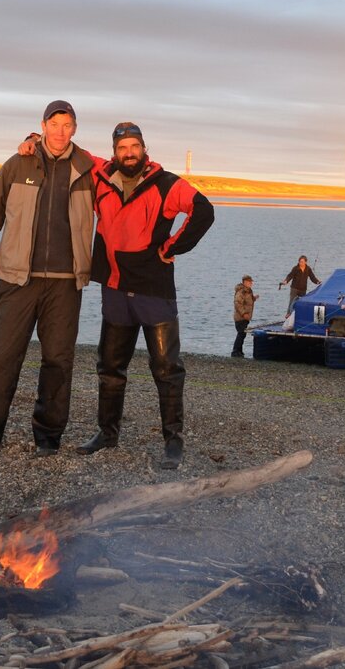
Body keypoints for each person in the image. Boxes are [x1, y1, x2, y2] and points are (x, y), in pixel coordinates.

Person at [0, 100, 97, 460]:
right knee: (1, 358)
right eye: (54, 124)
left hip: (66, 283)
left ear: (75, 129)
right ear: (43, 126)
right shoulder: (18, 163)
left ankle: (48, 438)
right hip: (19, 279)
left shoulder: (88, 168)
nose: (61, 131)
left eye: (68, 125)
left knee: (58, 362)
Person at [76, 122, 215, 470]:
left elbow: (204, 210)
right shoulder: (101, 176)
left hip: (155, 291)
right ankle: (107, 434)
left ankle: (173, 442)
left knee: (167, 369)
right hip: (115, 290)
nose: (129, 153)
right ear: (114, 151)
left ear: (144, 148)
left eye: (134, 146)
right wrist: (35, 139)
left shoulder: (166, 183)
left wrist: (173, 246)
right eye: (122, 148)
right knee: (110, 367)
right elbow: (69, 150)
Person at [232, 275, 257, 357]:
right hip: (240, 317)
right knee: (241, 333)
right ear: (245, 282)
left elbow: (247, 300)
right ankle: (235, 351)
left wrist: (254, 298)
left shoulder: (248, 291)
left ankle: (239, 351)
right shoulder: (241, 291)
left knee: (242, 334)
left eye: (251, 281)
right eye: (250, 282)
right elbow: (238, 304)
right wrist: (244, 314)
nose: (251, 283)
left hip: (246, 317)